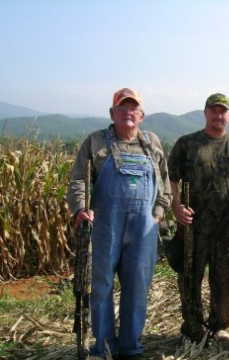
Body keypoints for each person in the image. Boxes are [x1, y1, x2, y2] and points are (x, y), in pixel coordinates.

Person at [66, 88, 172, 359]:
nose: (128, 113)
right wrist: (80, 208)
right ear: (112, 113)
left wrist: (158, 214)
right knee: (101, 286)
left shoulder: (152, 143)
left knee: (137, 288)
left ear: (142, 115)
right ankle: (102, 347)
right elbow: (78, 180)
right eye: (122, 108)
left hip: (144, 230)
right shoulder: (96, 142)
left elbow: (164, 184)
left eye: (133, 108)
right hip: (105, 227)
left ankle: (130, 347)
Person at [167, 93, 229, 344]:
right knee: (189, 278)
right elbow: (170, 178)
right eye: (213, 110)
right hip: (192, 227)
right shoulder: (187, 144)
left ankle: (220, 326)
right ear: (205, 112)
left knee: (222, 279)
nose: (218, 115)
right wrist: (176, 206)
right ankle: (192, 328)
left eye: (222, 111)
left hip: (225, 228)